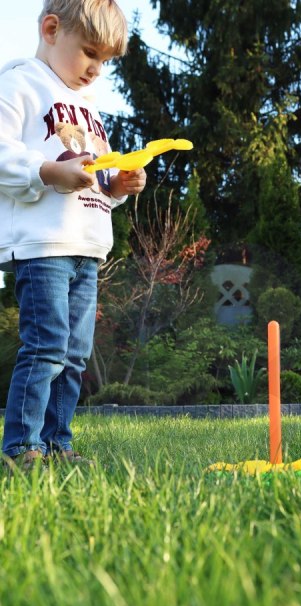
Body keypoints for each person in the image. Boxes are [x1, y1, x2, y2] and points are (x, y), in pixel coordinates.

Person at [0, 0, 146, 469]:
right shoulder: (20, 83)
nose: (96, 69)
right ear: (50, 29)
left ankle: (58, 444)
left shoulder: (89, 108)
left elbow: (95, 176)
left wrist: (118, 185)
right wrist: (46, 171)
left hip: (87, 247)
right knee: (45, 347)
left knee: (74, 354)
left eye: (104, 61)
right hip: (43, 245)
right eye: (89, 53)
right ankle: (22, 448)